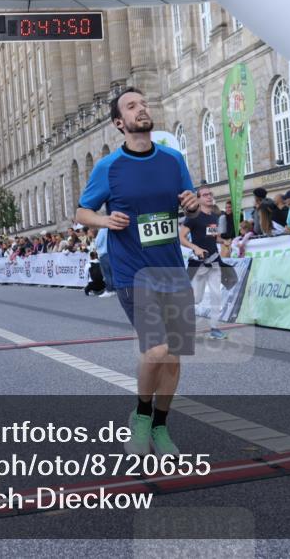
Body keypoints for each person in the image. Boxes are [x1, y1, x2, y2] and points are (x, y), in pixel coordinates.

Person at [75, 86, 200, 458]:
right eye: (132, 106)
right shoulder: (108, 168)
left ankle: (160, 428)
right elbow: (82, 214)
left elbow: (189, 209)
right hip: (132, 271)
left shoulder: (173, 160)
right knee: (157, 348)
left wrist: (192, 207)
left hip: (171, 270)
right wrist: (104, 219)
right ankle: (141, 417)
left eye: (143, 103)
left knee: (173, 355)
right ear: (120, 122)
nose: (141, 108)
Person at [179, 186, 227, 339]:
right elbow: (181, 238)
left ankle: (214, 329)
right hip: (198, 263)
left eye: (210, 194)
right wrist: (195, 248)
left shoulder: (213, 216)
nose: (209, 196)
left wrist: (224, 240)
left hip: (213, 261)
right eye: (205, 195)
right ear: (198, 199)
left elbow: (211, 236)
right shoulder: (193, 217)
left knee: (216, 295)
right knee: (196, 298)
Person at [93, 225, 116, 298]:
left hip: (104, 253)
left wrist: (95, 244)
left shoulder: (102, 230)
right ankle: (114, 289)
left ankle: (109, 290)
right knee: (112, 273)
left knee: (106, 273)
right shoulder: (110, 229)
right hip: (111, 252)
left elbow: (98, 242)